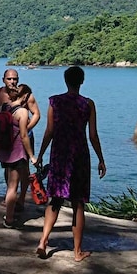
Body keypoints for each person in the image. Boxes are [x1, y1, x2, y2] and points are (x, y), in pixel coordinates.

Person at [33, 66, 106, 262]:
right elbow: (92, 136)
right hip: (79, 155)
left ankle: (43, 241)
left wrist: (40, 154)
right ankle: (77, 252)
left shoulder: (55, 102)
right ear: (82, 81)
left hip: (59, 155)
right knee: (78, 203)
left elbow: (49, 131)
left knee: (55, 199)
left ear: (65, 81)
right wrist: (101, 159)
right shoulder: (88, 104)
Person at [0, 69, 40, 209]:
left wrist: (27, 128)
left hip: (23, 135)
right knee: (7, 167)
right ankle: (11, 195)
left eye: (15, 79)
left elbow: (36, 114)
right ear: (3, 79)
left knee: (24, 167)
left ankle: (21, 199)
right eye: (9, 79)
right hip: (6, 136)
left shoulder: (25, 95)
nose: (12, 82)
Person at [0, 83, 36, 228]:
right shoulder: (22, 112)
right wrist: (31, 156)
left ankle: (12, 210)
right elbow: (24, 136)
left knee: (10, 183)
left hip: (3, 151)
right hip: (16, 153)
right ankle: (9, 219)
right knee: (13, 186)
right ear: (24, 96)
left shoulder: (4, 106)